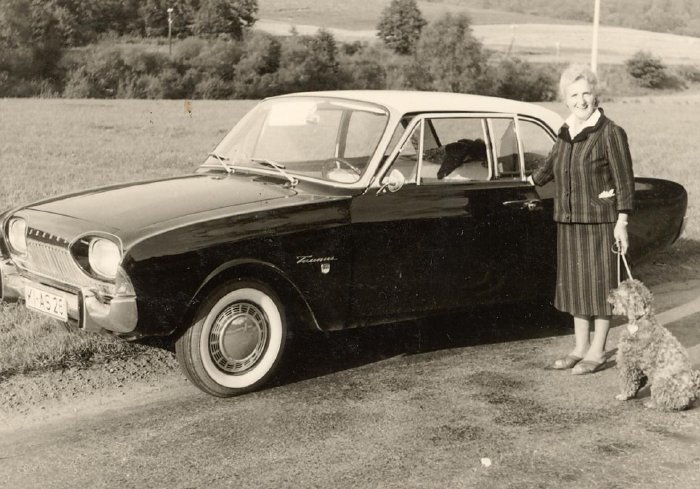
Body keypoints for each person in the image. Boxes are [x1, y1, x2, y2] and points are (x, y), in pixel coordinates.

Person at [529, 64, 635, 375]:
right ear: (565, 99)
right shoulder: (565, 132)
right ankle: (579, 348)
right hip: (569, 222)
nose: (581, 100)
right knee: (576, 288)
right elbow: (546, 170)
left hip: (600, 223)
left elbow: (625, 182)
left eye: (586, 93)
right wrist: (517, 177)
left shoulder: (610, 132)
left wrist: (622, 222)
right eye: (574, 95)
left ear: (595, 95)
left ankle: (597, 352)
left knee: (600, 289)